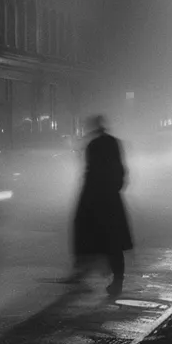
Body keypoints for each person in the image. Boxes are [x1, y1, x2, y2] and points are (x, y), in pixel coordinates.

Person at [69, 115, 133, 295]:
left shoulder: (93, 146)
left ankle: (85, 269)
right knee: (114, 239)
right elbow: (121, 169)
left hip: (96, 197)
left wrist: (87, 196)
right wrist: (117, 187)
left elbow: (90, 172)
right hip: (111, 198)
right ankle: (117, 279)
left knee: (89, 234)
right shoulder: (113, 143)